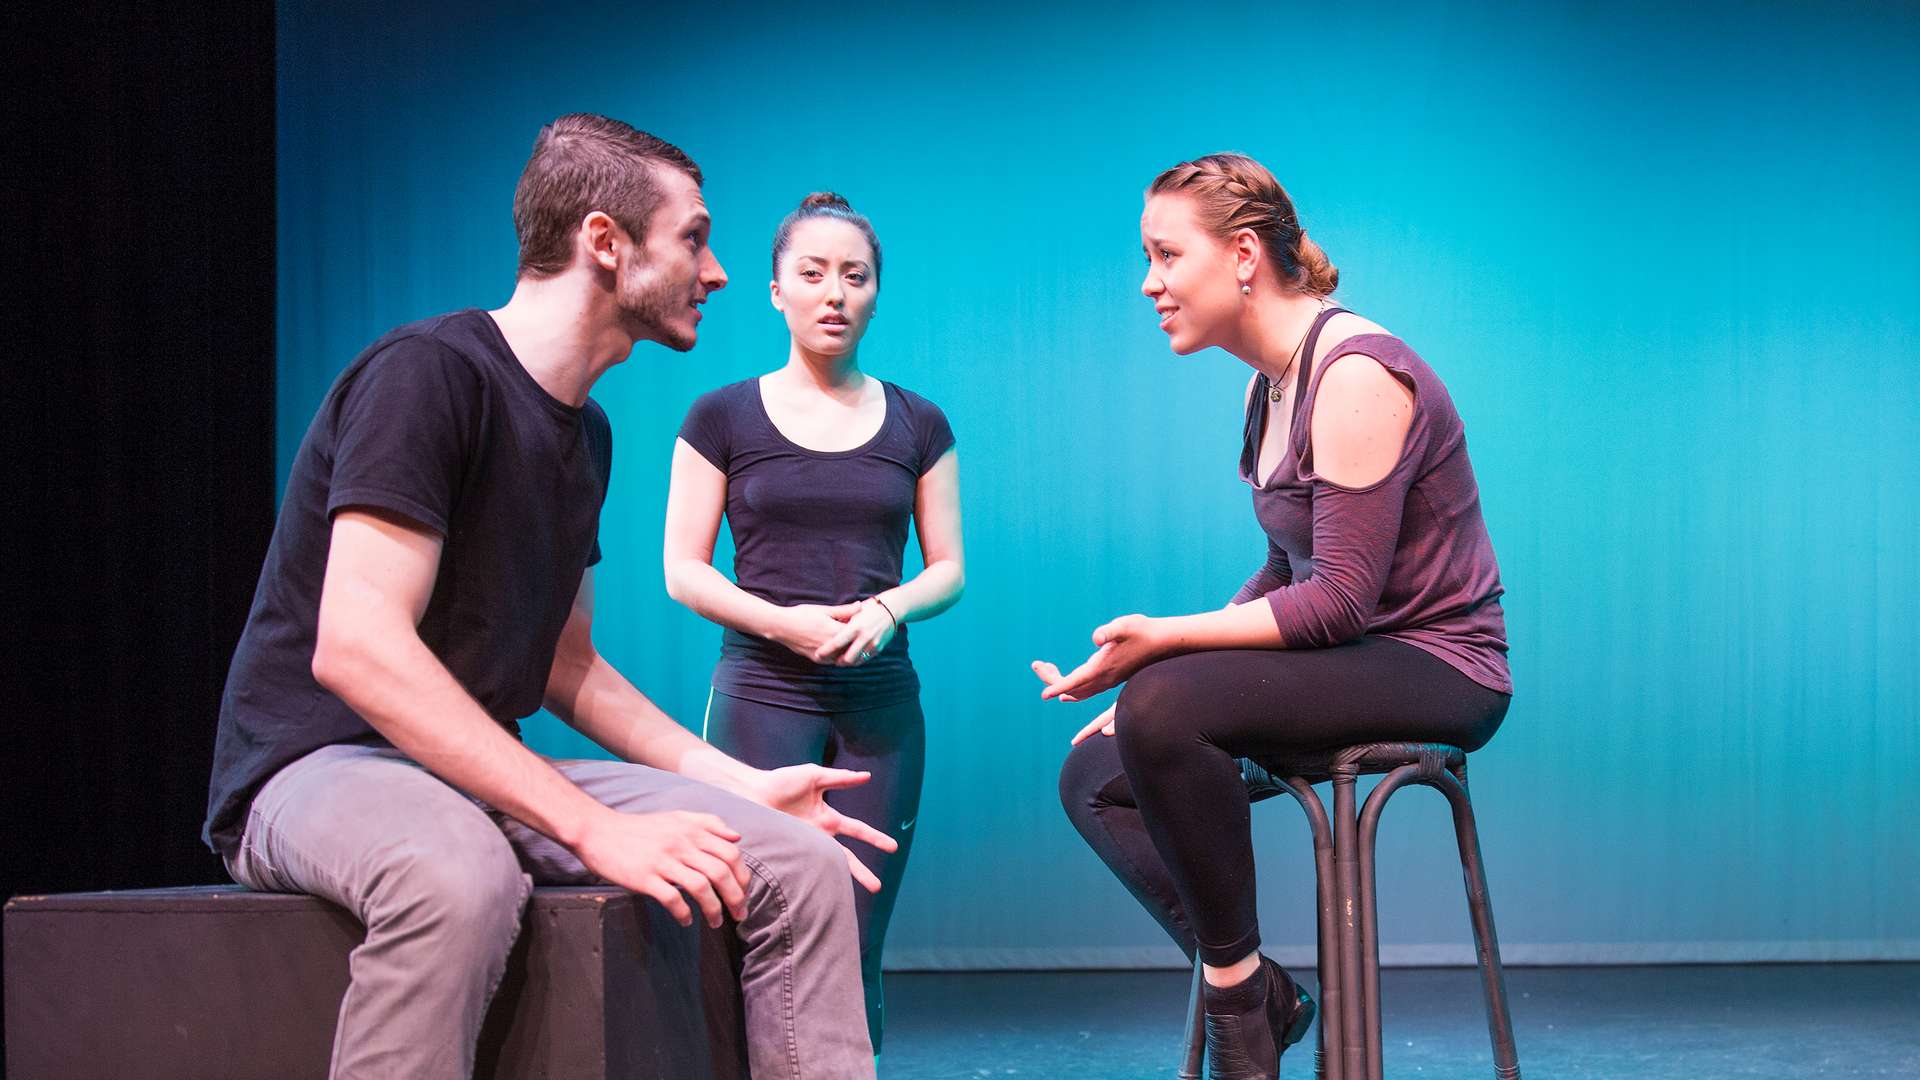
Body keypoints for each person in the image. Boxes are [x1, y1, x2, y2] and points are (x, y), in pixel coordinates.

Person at [203, 114, 892, 1080]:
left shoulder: (586, 435)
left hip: (469, 767)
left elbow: (569, 668)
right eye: (694, 236)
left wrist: (741, 786)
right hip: (317, 764)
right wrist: (592, 827)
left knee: (801, 863)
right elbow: (356, 648)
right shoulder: (430, 376)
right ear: (605, 243)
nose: (720, 270)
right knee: (456, 877)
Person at [1039, 153, 1512, 1080]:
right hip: (1360, 651)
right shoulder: (1269, 386)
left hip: (1440, 663)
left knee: (1167, 710)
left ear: (1244, 254)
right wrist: (1148, 672)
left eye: (1166, 256)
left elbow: (1338, 600)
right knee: (1097, 774)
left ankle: (1240, 1030)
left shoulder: (1354, 373)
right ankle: (1258, 989)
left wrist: (1166, 652)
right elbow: (1281, 569)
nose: (1149, 283)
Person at [663, 191, 965, 1050]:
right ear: (776, 291)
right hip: (761, 694)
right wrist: (783, 624)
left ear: (875, 294)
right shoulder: (721, 417)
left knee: (858, 939)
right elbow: (683, 570)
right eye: (813, 273)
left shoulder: (918, 422)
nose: (834, 292)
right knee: (749, 925)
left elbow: (949, 570)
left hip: (879, 707)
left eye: (854, 276)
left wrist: (887, 606)